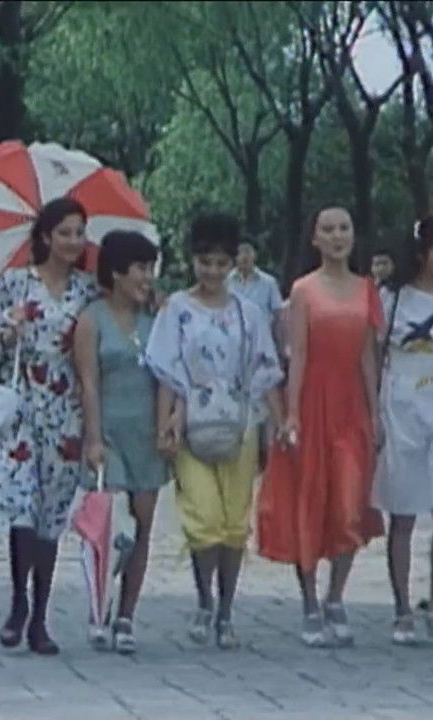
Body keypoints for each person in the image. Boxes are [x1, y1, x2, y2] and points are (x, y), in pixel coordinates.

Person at [144, 213, 285, 650]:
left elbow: (265, 371)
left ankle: (226, 608)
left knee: (234, 522)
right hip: (191, 421)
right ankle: (204, 597)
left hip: (239, 421)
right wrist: (164, 424)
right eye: (205, 262)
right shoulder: (176, 310)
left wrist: (279, 423)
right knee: (203, 518)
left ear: (233, 262)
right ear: (193, 261)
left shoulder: (248, 313)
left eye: (221, 263)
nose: (212, 271)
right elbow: (166, 370)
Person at [257, 205, 385, 648]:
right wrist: (291, 414)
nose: (336, 236)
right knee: (309, 502)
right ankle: (310, 600)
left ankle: (336, 595)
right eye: (327, 229)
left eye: (344, 228)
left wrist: (375, 413)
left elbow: (368, 358)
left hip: (351, 406)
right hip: (312, 402)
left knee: (350, 506)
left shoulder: (366, 289)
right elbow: (298, 356)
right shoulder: (303, 290)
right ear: (314, 239)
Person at [0, 197, 100, 656]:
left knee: (51, 514)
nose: (73, 241)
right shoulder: (14, 284)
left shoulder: (88, 292)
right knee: (22, 505)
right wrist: (7, 333)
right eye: (64, 232)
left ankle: (41, 618)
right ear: (45, 236)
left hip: (65, 409)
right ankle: (18, 602)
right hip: (22, 406)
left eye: (79, 233)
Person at [71, 230, 167, 654]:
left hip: (147, 434)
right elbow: (88, 383)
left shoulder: (156, 319)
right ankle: (100, 606)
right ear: (116, 272)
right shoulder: (92, 320)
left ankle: (126, 615)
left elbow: (169, 377)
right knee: (110, 528)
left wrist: (168, 425)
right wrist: (93, 439)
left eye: (151, 268)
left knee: (142, 525)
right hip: (108, 432)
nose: (147, 277)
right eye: (140, 268)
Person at [374, 213, 433, 646]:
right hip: (400, 405)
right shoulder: (392, 298)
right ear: (422, 254)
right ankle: (401, 608)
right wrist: (372, 411)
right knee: (403, 513)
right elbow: (373, 355)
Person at [227, 237, 287, 467]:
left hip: (263, 351)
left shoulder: (268, 283)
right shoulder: (226, 282)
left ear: (254, 255)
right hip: (234, 354)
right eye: (239, 252)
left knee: (268, 404)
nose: (243, 257)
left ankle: (269, 457)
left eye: (248, 252)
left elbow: (278, 317)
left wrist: (280, 349)